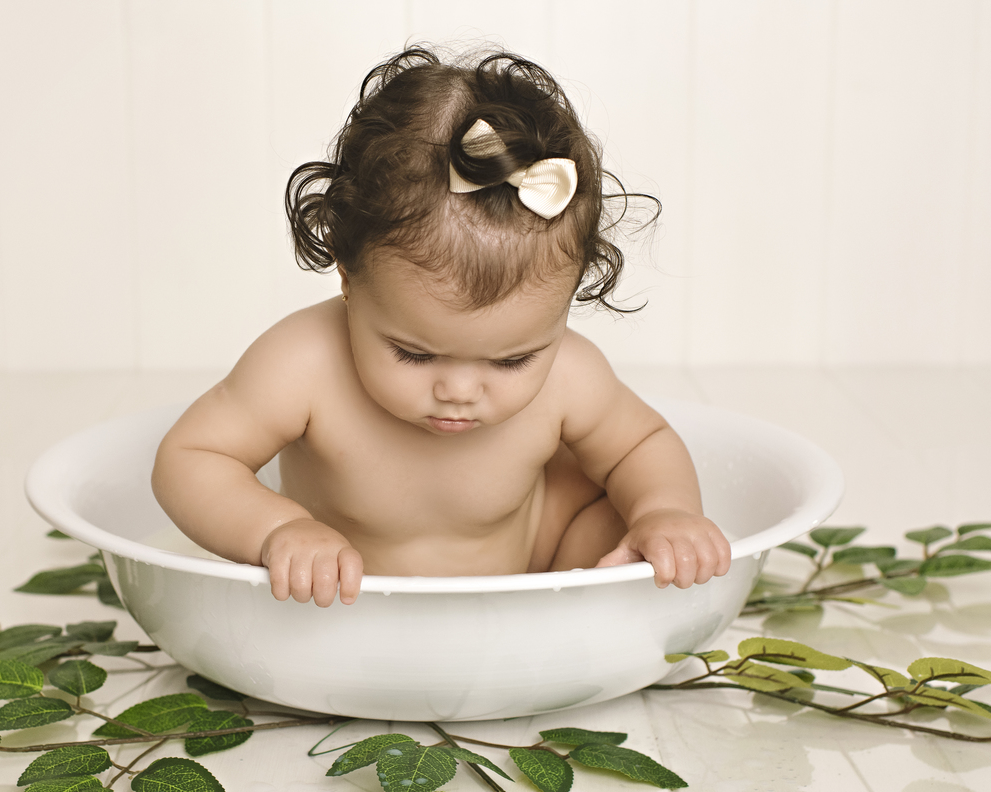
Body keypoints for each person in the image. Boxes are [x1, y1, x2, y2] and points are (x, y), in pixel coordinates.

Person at [152, 45, 730, 607]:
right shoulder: (304, 363)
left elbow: (641, 444)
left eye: (511, 360)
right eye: (414, 354)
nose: (459, 390)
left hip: (540, 573)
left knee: (618, 512)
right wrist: (278, 530)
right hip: (343, 607)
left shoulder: (572, 376)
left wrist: (664, 512)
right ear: (350, 279)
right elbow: (192, 457)